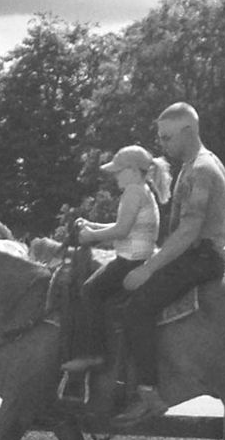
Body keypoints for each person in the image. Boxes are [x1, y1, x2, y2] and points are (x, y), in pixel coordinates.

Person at [114, 102, 225, 426]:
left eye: (167, 137)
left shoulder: (202, 170)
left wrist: (148, 268)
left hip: (201, 257)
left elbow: (190, 229)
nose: (162, 145)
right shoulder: (193, 166)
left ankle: (149, 393)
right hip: (196, 253)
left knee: (138, 307)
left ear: (189, 131)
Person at [61, 145, 171, 375]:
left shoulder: (133, 192)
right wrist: (94, 226)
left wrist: (91, 235)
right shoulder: (143, 190)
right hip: (139, 258)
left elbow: (121, 231)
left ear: (131, 170)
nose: (115, 177)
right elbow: (123, 227)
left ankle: (94, 353)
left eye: (118, 171)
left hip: (130, 261)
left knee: (90, 290)